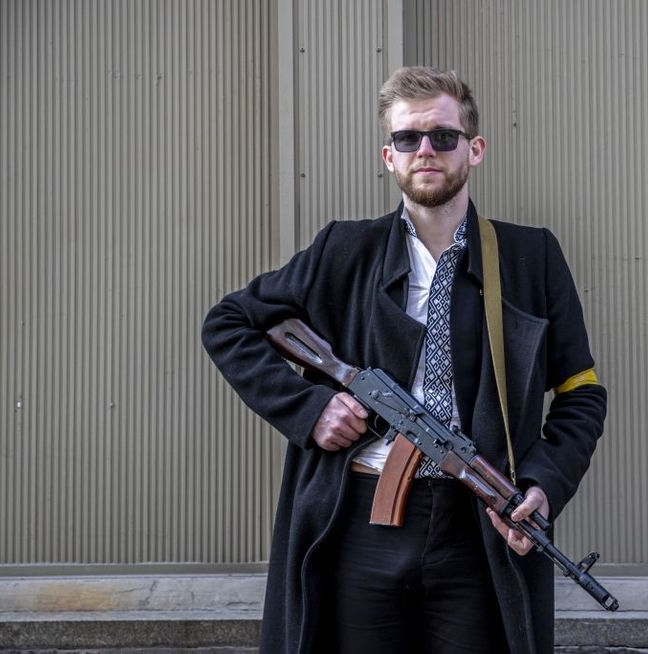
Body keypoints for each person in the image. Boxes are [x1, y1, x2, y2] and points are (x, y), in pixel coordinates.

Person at [202, 66, 607, 654]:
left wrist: (544, 484)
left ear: (475, 149)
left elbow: (581, 391)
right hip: (357, 518)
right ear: (387, 156)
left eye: (443, 136)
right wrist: (309, 407)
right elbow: (228, 322)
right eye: (408, 139)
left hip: (477, 527)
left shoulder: (528, 257)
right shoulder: (343, 249)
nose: (426, 151)